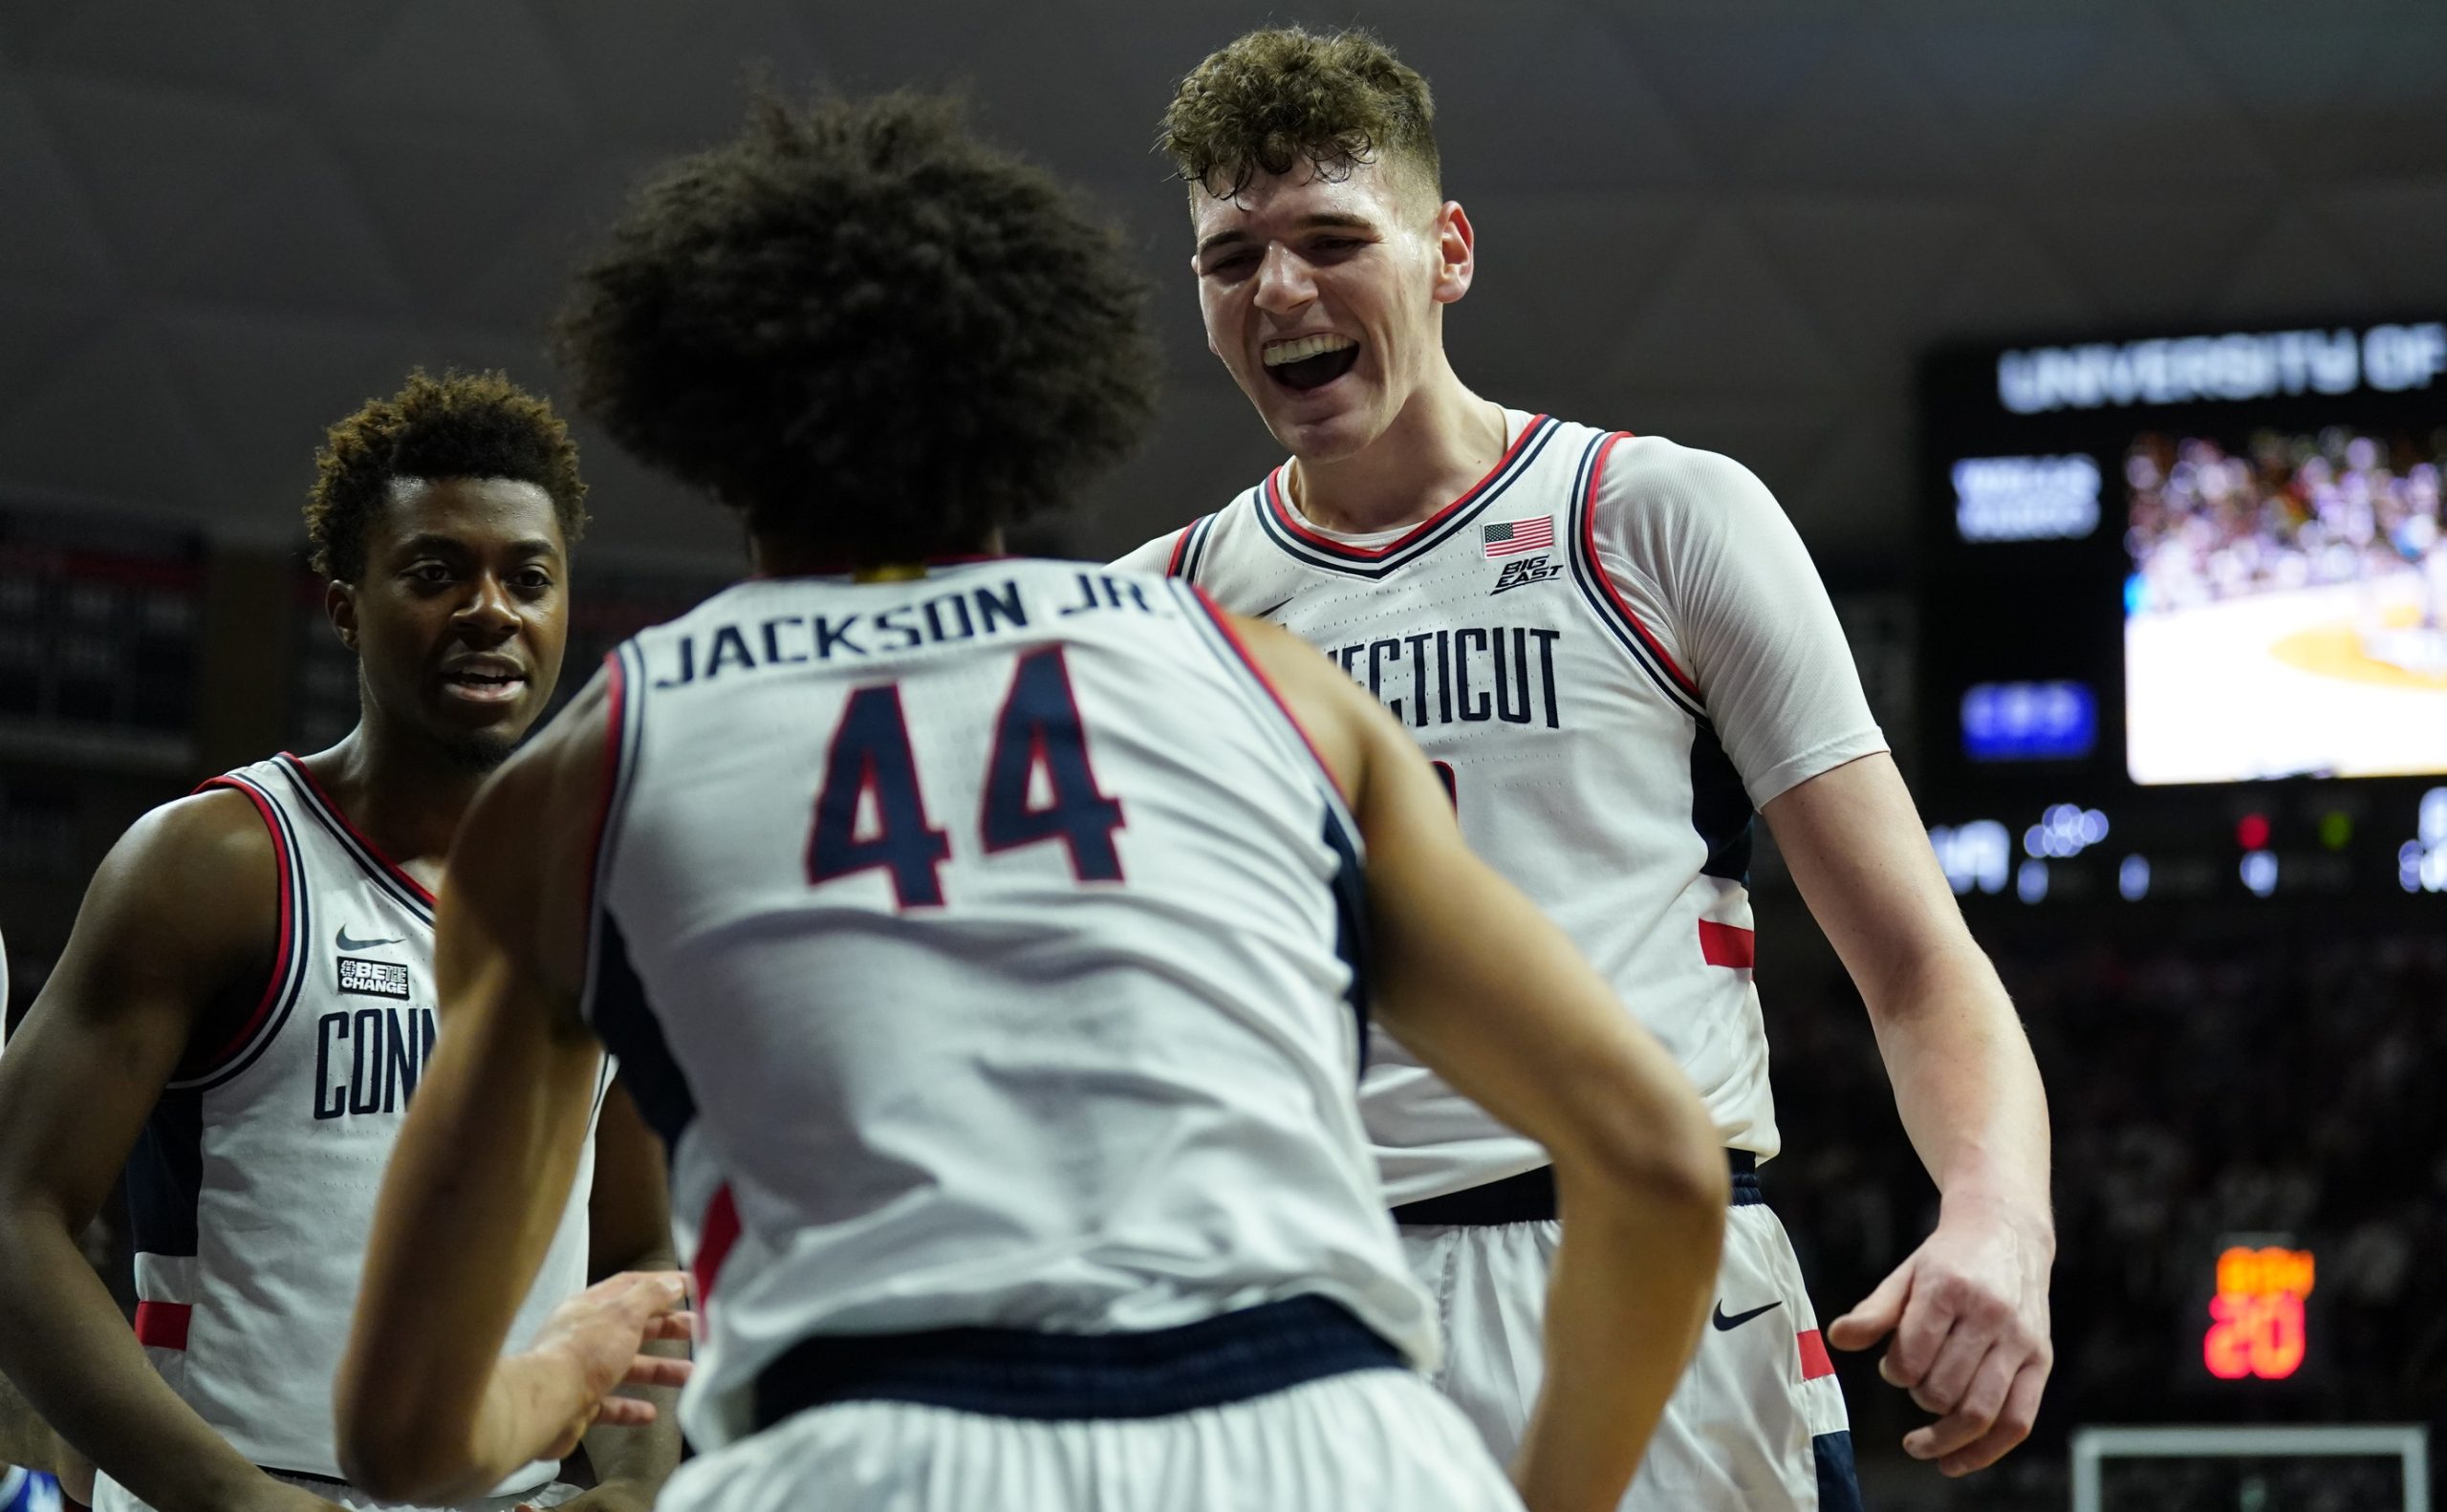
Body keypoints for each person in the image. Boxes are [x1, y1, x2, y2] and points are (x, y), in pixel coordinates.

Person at [330, 92, 1728, 1512]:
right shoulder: (1272, 682)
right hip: (1329, 1444)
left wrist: (572, 1356)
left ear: (710, 434)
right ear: (1036, 400)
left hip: (873, 1453)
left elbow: (407, 1440)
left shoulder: (584, 775)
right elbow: (1661, 1162)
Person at [1116, 27, 2055, 1506]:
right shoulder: (1156, 612)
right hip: (1307, 1309)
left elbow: (1919, 966)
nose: (1280, 290)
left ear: (1449, 252)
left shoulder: (1656, 515)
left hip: (1657, 1278)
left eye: (1328, 238)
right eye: (1232, 259)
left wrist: (2002, 1216)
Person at [0, 371, 680, 1512]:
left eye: (527, 578)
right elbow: (16, 1213)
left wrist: (632, 1485)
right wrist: (231, 1499)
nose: (489, 611)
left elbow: (631, 1261)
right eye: (434, 572)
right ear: (345, 606)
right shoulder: (217, 866)